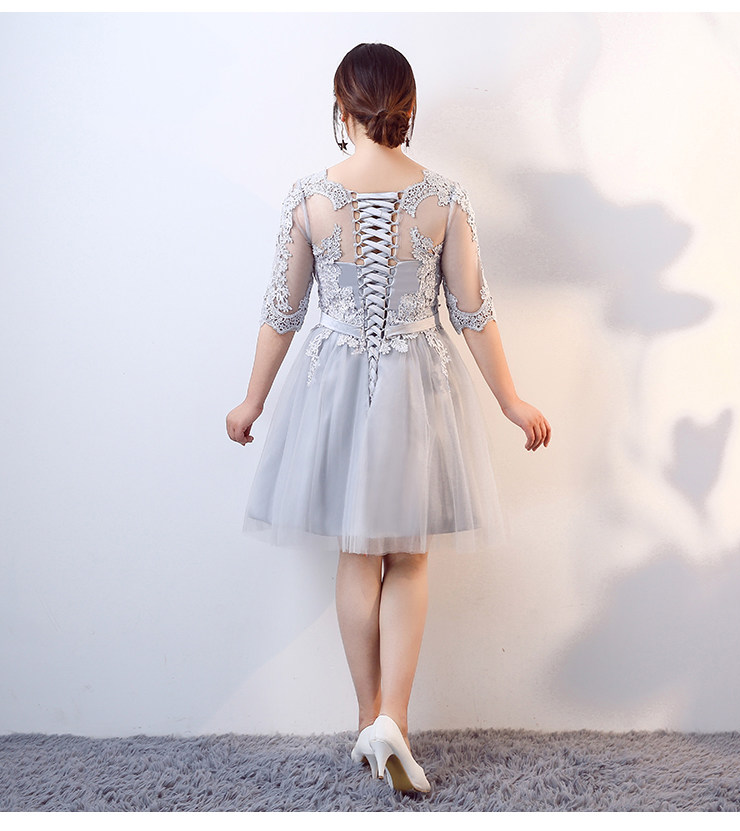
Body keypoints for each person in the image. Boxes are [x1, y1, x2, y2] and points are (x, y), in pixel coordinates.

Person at [226, 42, 551, 793]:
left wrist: (253, 400)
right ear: (407, 107)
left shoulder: (310, 195)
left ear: (341, 108)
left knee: (356, 553)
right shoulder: (446, 196)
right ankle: (393, 720)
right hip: (416, 384)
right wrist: (510, 400)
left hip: (333, 387)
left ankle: (368, 716)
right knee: (407, 555)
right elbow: (473, 312)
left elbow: (282, 313)